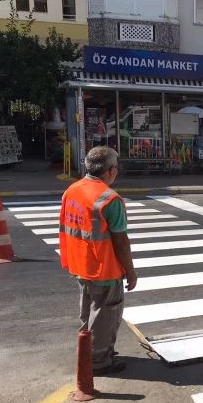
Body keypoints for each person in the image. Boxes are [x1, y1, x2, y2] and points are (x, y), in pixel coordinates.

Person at [59, 146, 137, 375]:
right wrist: (130, 271)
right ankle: (100, 361)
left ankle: (88, 351)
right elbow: (121, 241)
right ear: (111, 170)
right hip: (103, 269)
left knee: (88, 313)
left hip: (79, 264)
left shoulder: (72, 190)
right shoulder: (109, 199)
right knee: (105, 316)